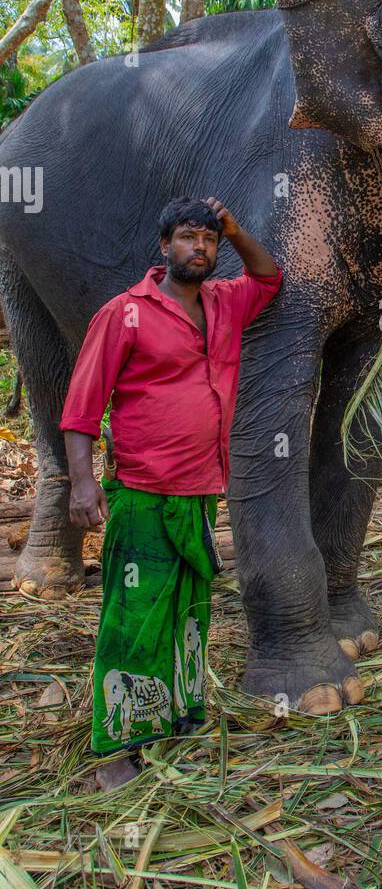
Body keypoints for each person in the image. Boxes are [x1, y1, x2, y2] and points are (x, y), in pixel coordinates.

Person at [60, 197, 282, 789]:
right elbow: (82, 407)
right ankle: (115, 748)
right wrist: (82, 484)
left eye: (209, 240)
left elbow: (269, 276)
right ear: (165, 247)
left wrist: (235, 226)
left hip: (201, 491)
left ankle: (175, 715)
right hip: (141, 490)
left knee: (187, 611)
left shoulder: (227, 302)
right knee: (133, 617)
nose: (200, 248)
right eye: (189, 238)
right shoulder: (125, 313)